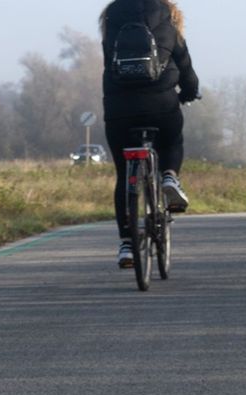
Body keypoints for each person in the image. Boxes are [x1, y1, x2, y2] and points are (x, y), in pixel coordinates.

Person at [100, 0, 200, 268]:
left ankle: (127, 245)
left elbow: (109, 59)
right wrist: (189, 92)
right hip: (161, 107)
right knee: (172, 141)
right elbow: (184, 64)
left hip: (119, 110)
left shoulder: (111, 16)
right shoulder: (169, 17)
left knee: (124, 175)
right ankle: (169, 177)